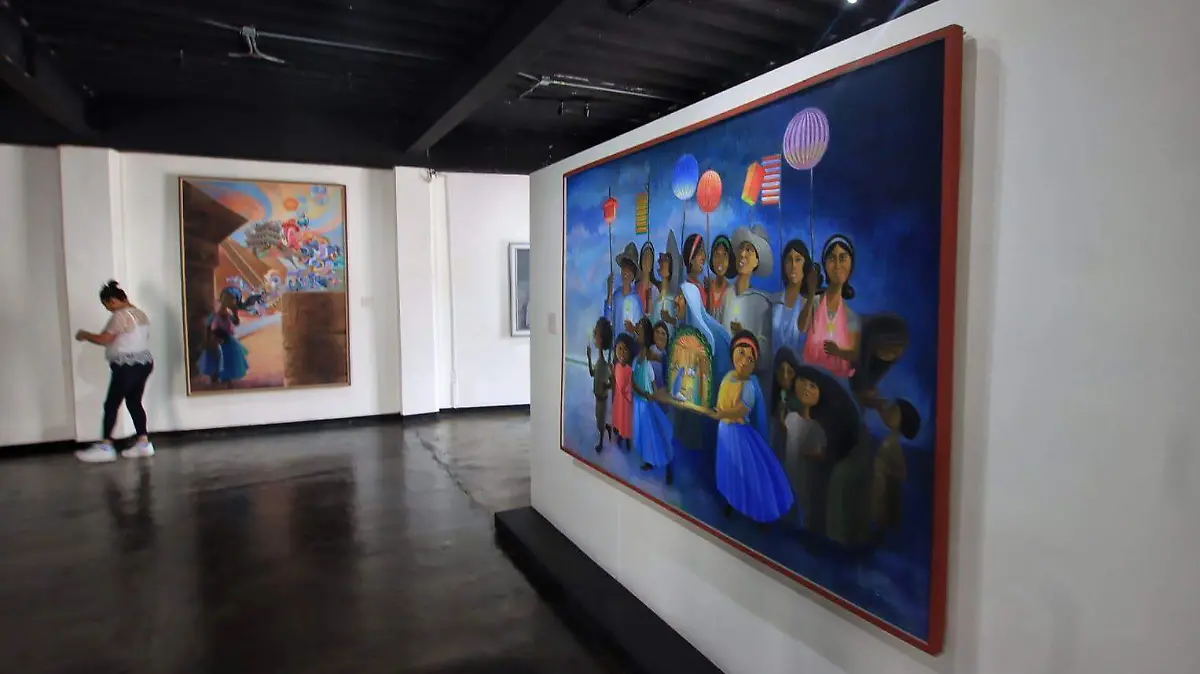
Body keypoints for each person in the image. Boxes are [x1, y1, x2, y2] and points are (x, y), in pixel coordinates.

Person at [73, 280, 155, 463]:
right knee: (134, 402)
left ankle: (106, 446)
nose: (108, 309)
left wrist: (84, 334)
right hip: (144, 363)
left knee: (111, 404)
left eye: (107, 305)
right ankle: (143, 443)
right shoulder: (140, 313)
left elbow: (105, 339)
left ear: (112, 300)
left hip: (127, 365)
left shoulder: (120, 315)